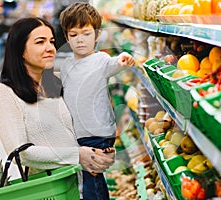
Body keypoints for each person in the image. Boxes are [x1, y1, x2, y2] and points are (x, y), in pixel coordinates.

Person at [0, 17, 115, 199]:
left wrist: (97, 151)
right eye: (40, 42)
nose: (50, 48)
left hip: (83, 182)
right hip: (52, 190)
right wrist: (78, 155)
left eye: (52, 41)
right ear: (20, 50)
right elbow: (20, 153)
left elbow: (70, 133)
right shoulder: (5, 92)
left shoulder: (54, 83)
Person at [57, 3, 135, 200]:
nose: (80, 40)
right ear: (66, 37)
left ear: (97, 35)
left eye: (86, 34)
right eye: (73, 35)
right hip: (77, 133)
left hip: (97, 132)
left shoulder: (100, 60)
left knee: (92, 181)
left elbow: (114, 64)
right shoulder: (66, 65)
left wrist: (123, 58)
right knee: (87, 180)